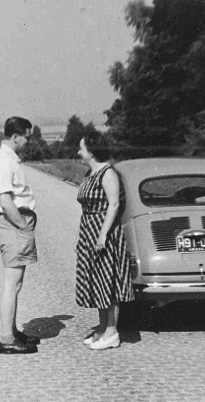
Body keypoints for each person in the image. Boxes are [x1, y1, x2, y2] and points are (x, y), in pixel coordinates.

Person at [0, 116, 41, 354]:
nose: (28, 141)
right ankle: (7, 339)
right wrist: (23, 226)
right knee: (12, 284)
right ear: (15, 136)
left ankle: (13, 331)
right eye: (27, 136)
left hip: (13, 225)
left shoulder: (8, 159)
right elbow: (6, 201)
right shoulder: (3, 162)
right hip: (13, 225)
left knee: (15, 284)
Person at [75, 131, 134, 350]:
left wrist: (102, 234)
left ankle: (112, 332)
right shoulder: (90, 173)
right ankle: (102, 328)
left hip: (105, 233)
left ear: (91, 151)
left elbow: (114, 205)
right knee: (97, 281)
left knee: (108, 282)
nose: (79, 152)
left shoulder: (108, 173)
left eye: (81, 148)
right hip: (89, 230)